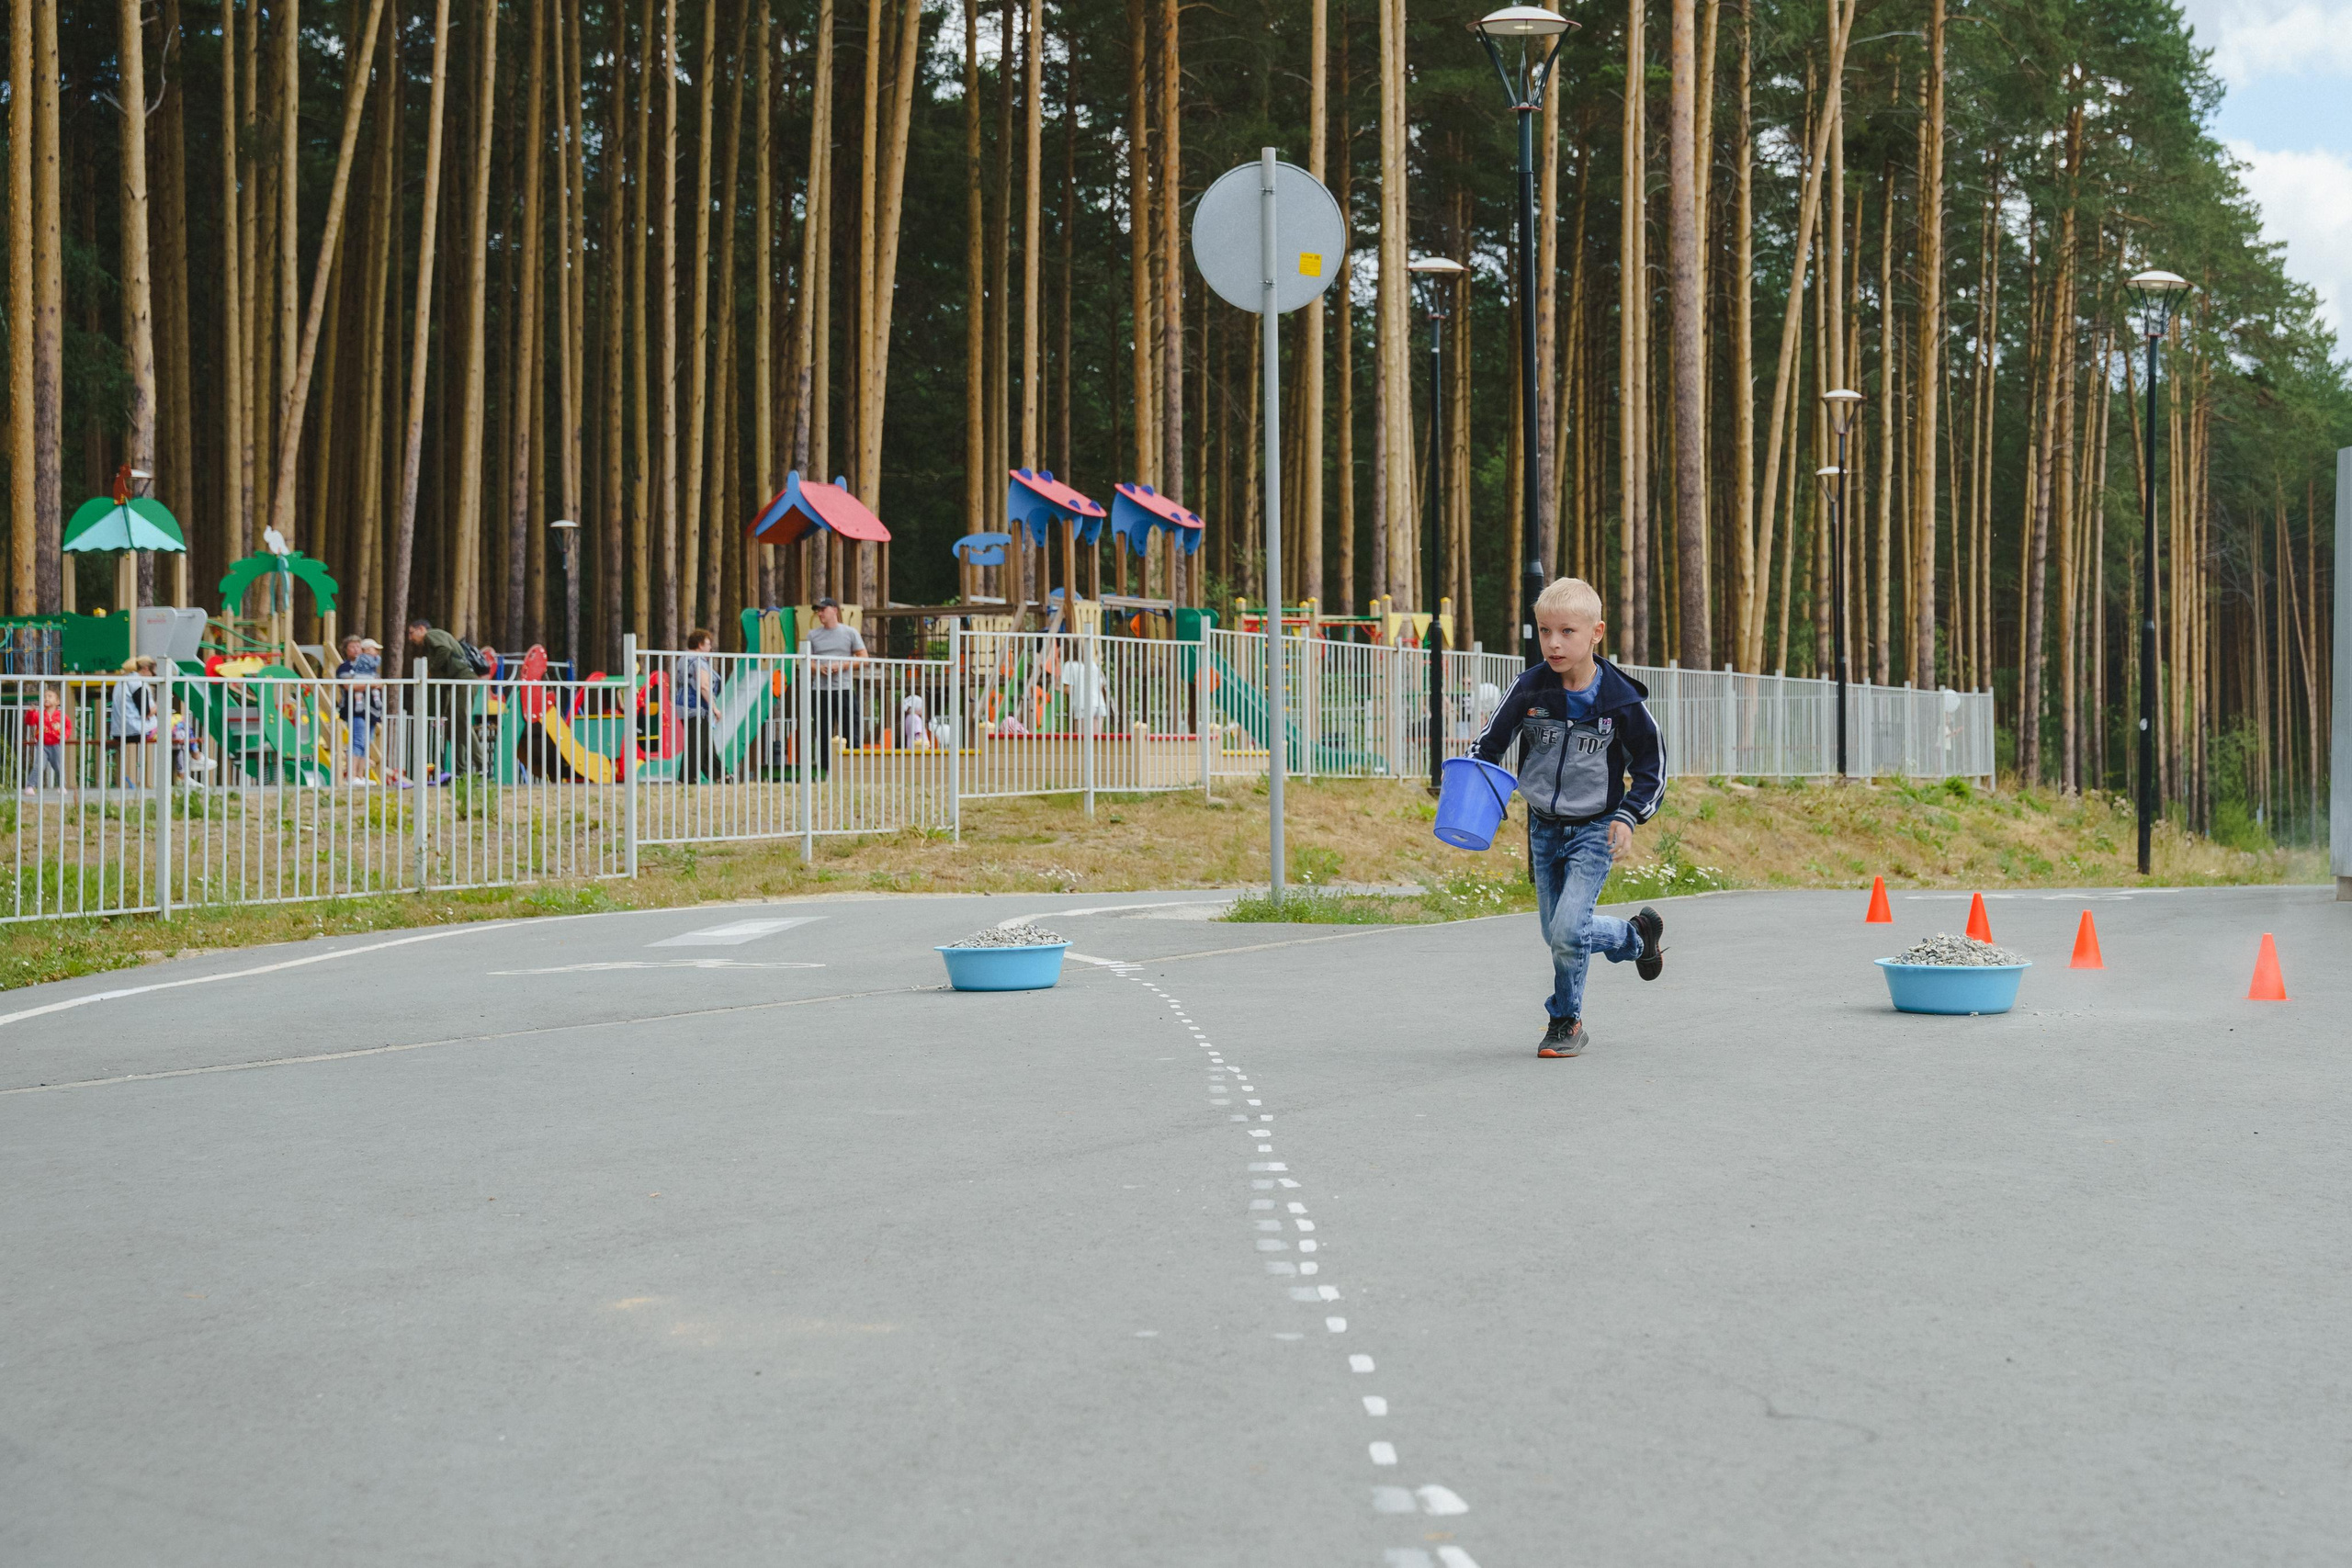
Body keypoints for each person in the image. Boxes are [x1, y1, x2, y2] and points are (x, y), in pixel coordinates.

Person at [1471, 576, 1668, 1059]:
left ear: (1596, 633)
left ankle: (1565, 1019)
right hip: (1542, 827)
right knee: (1556, 933)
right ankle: (1634, 936)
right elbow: (1489, 745)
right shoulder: (1529, 687)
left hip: (1595, 831)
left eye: (1567, 632)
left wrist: (1628, 815)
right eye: (1544, 631)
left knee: (1565, 932)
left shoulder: (1620, 701)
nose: (1553, 643)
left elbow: (1652, 768)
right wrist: (1469, 778)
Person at [405, 619, 497, 779]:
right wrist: (440, 711)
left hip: (464, 679)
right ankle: (460, 770)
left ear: (421, 629)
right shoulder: (431, 646)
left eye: (411, 633)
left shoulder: (432, 635)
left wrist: (430, 668)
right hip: (456, 682)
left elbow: (444, 649)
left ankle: (483, 766)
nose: (410, 638)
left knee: (461, 721)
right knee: (454, 727)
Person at [802, 596, 866, 777]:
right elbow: (807, 662)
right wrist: (818, 668)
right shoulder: (813, 635)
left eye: (823, 609)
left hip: (843, 688)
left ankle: (853, 768)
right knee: (822, 730)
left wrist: (843, 665)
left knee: (849, 727)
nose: (820, 613)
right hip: (820, 690)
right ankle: (825, 770)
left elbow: (863, 657)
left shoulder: (850, 632)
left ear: (834, 611)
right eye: (818, 610)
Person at [335, 635, 386, 782]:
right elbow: (349, 685)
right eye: (352, 646)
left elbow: (379, 682)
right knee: (357, 740)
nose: (357, 649)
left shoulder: (370, 666)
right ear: (346, 650)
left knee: (367, 741)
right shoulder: (344, 668)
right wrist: (370, 684)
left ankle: (360, 775)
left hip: (371, 708)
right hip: (354, 709)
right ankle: (351, 775)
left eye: (359, 646)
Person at [676, 628, 721, 783]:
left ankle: (720, 775)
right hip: (697, 707)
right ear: (700, 644)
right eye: (708, 644)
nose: (710, 648)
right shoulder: (699, 661)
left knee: (705, 742)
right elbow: (704, 686)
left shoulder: (683, 658)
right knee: (697, 743)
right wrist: (714, 708)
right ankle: (687, 777)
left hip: (683, 706)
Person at [109, 657, 161, 790]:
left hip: (118, 731)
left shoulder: (122, 682)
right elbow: (147, 711)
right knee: (179, 724)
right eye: (153, 672)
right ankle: (187, 766)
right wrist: (162, 704)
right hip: (137, 730)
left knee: (173, 734)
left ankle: (184, 769)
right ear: (145, 669)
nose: (154, 675)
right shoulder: (137, 684)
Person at [21, 683, 69, 795]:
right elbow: (29, 722)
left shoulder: (61, 716)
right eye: (45, 696)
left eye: (50, 696)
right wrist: (31, 712)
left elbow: (68, 727)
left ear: (57, 701)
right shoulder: (39, 714)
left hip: (56, 745)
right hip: (42, 745)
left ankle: (61, 785)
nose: (46, 698)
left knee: (59, 766)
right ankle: (30, 786)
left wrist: (64, 736)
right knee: (39, 766)